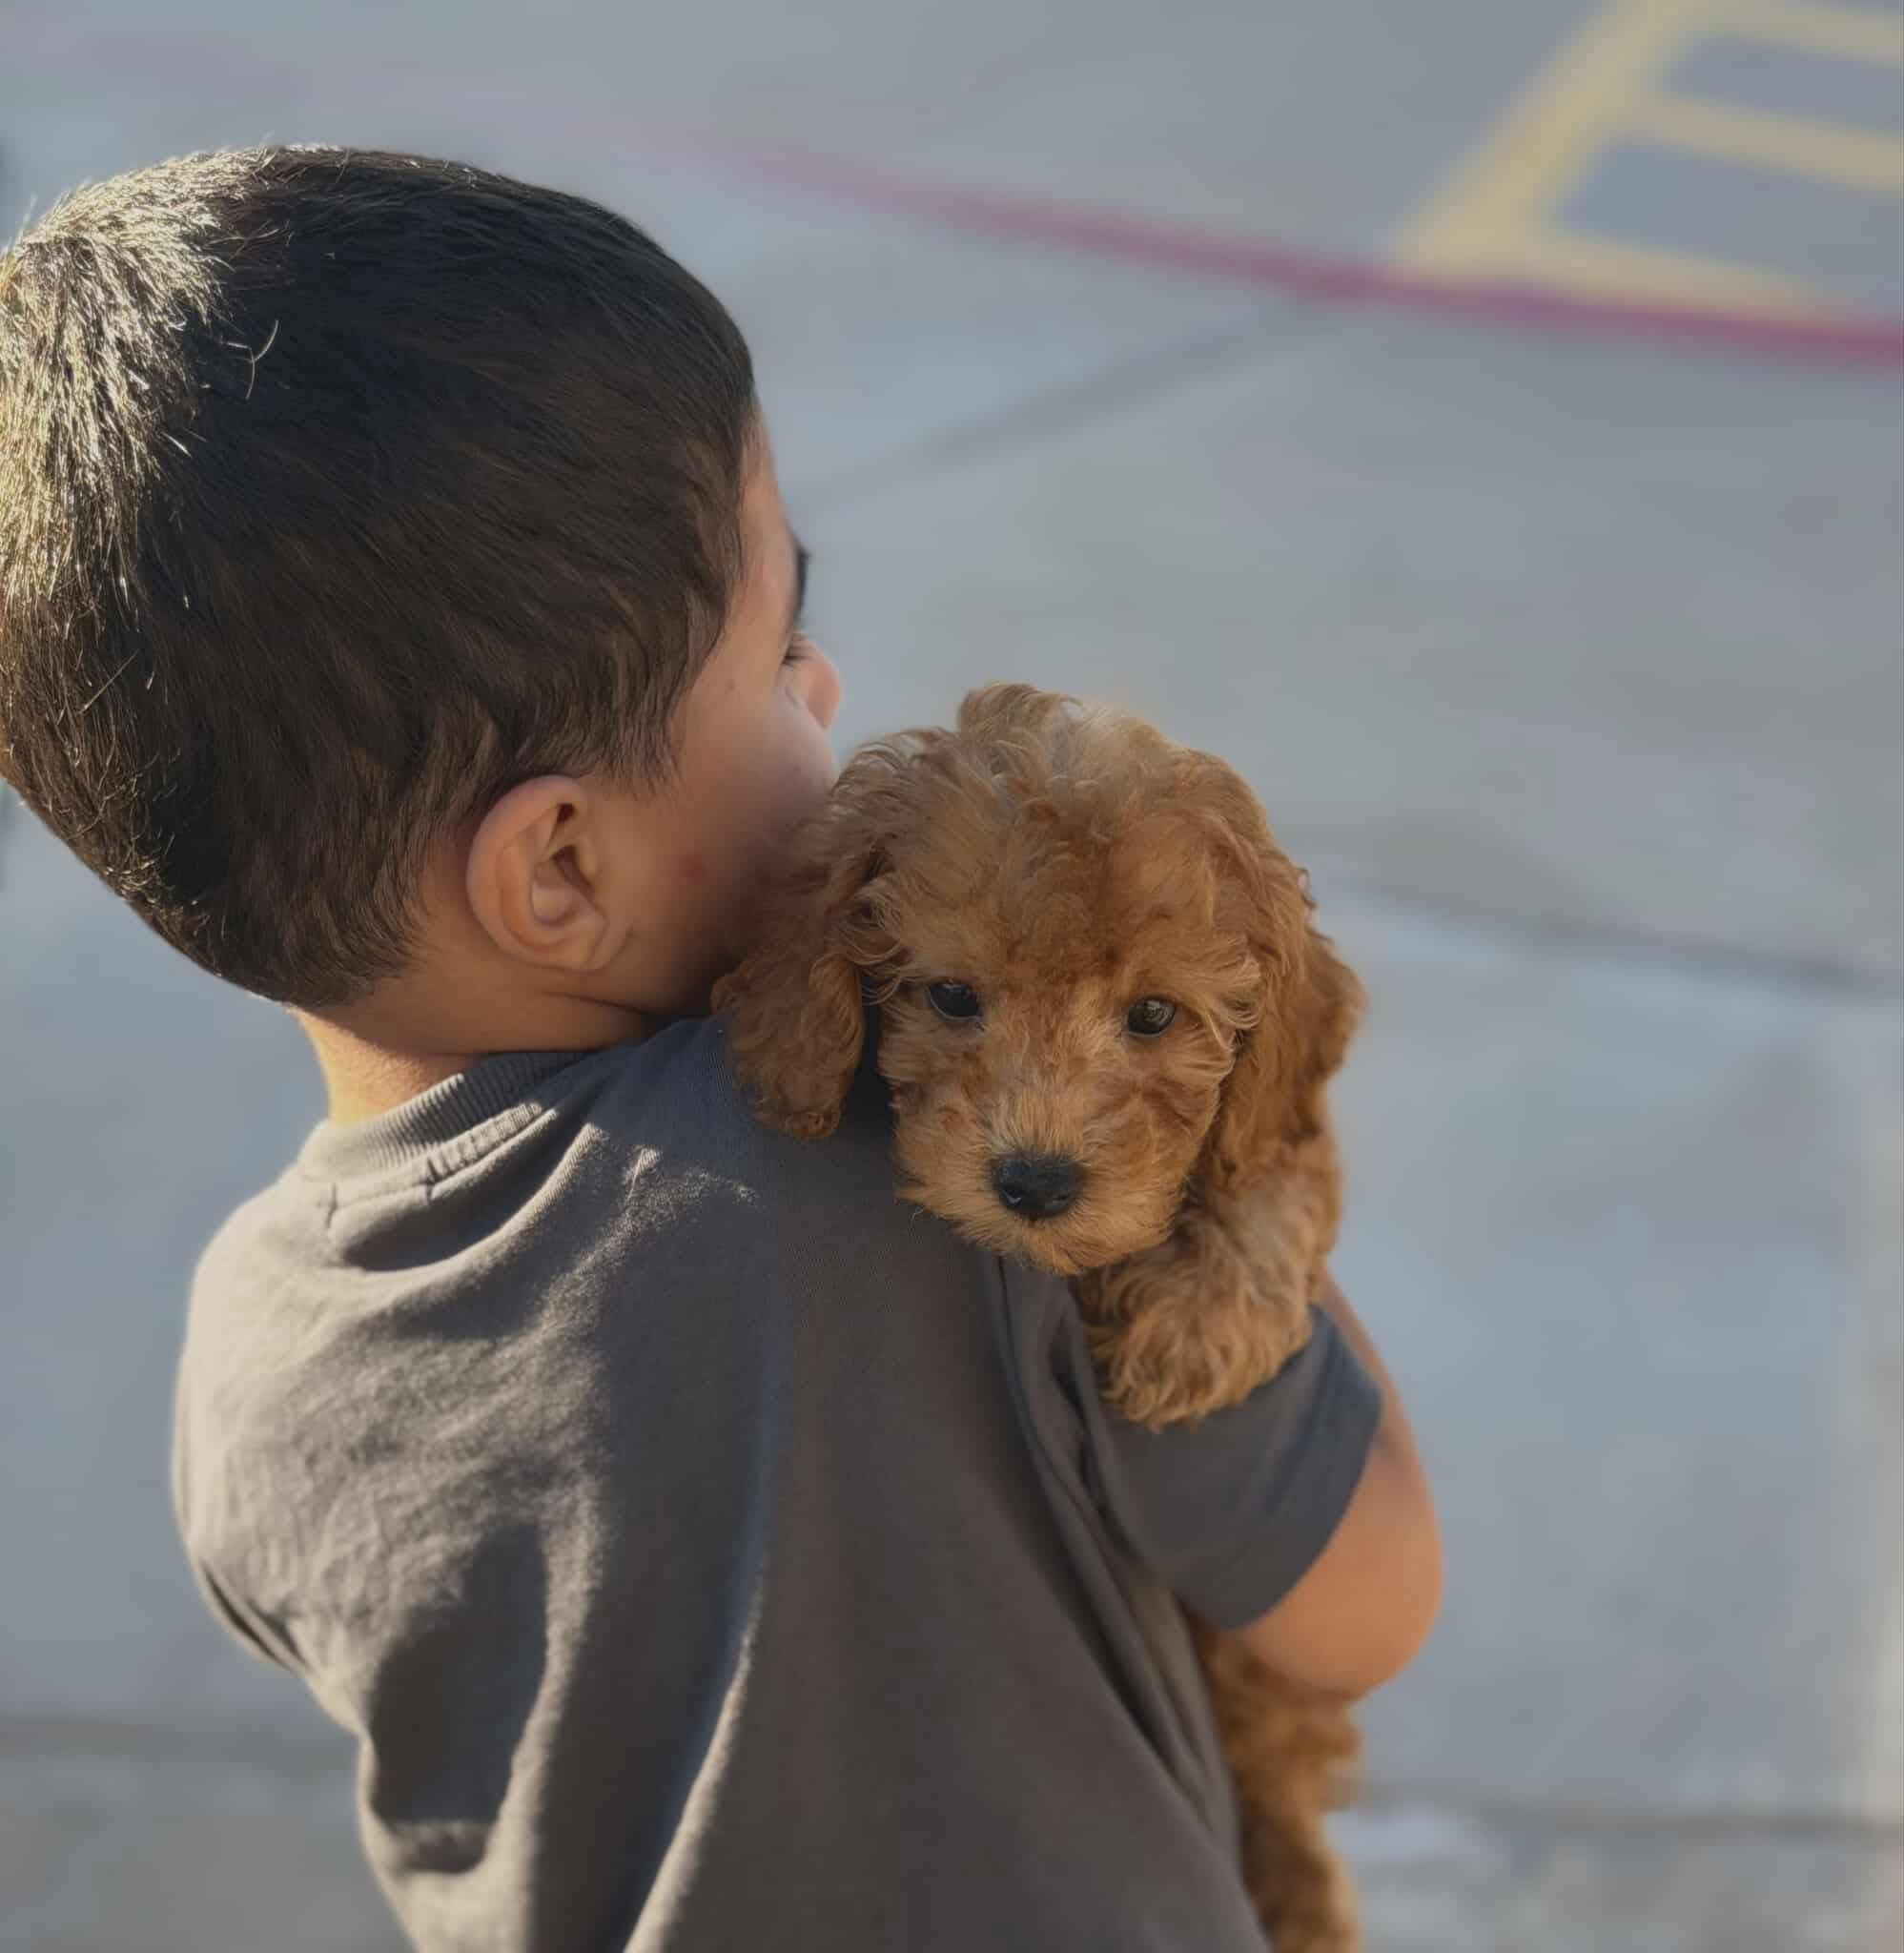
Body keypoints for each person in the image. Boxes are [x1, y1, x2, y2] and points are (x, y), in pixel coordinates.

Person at [0, 146, 1440, 1951]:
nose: (827, 692)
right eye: (777, 654)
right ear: (560, 871)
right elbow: (1363, 1605)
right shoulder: (919, 1163)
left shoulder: (244, 1370)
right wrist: (1243, 1152)